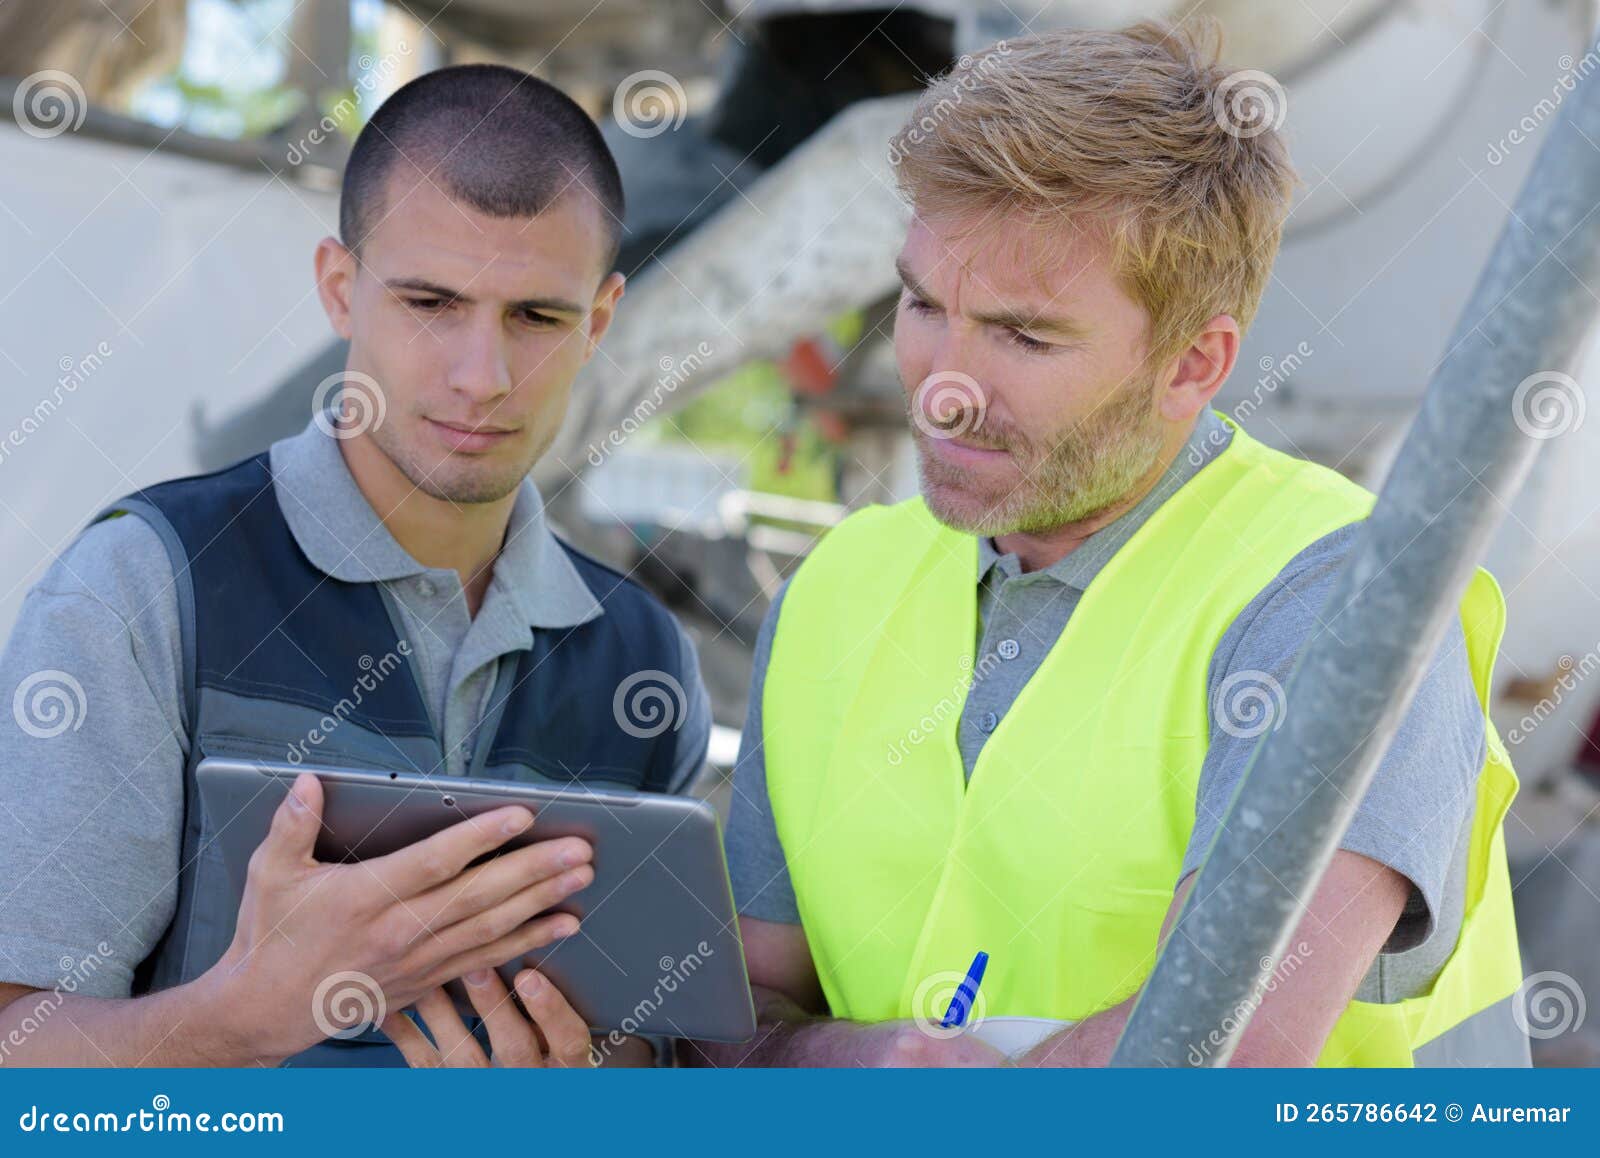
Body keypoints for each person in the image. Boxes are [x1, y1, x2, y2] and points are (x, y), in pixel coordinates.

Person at [691, 21, 1528, 1068]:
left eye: (1022, 335)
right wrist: (863, 1065)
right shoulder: (835, 590)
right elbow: (740, 1019)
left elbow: (1213, 1060)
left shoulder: (1341, 598)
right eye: (919, 304)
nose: (942, 387)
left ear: (1193, 363)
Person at [0, 63, 710, 1068]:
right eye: (430, 302)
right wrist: (245, 1018)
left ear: (597, 321)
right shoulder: (144, 587)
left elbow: (665, 1051)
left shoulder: (645, 657)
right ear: (340, 288)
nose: (483, 376)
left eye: (536, 318)